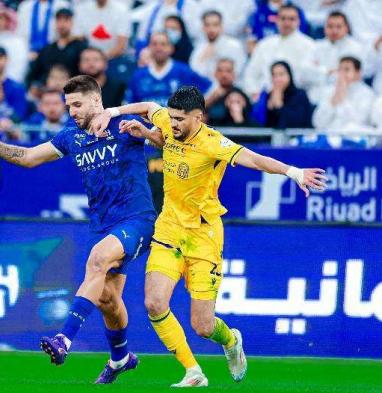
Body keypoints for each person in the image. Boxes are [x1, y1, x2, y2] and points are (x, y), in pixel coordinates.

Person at [91, 86, 326, 387]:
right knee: (153, 303)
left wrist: (293, 172)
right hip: (169, 230)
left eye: (180, 119)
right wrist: (119, 116)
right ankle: (193, 372)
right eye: (171, 117)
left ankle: (231, 341)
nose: (172, 124)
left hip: (204, 236)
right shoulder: (167, 123)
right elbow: (149, 107)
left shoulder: (214, 143)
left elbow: (254, 159)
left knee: (202, 326)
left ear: (198, 117)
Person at [0, 75, 157, 384]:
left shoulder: (125, 127)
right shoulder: (71, 136)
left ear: (97, 101)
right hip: (101, 224)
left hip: (137, 219)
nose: (73, 112)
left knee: (96, 261)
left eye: (78, 105)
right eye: (69, 106)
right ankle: (121, 358)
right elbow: (28, 158)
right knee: (108, 299)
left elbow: (163, 126)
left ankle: (63, 339)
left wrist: (130, 120)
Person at [126, 32, 211, 105]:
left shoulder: (183, 71)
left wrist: (197, 113)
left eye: (163, 44)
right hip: (146, 123)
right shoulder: (138, 75)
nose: (159, 48)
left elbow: (210, 88)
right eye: (154, 44)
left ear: (171, 48)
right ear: (149, 47)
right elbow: (129, 105)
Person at [312, 56, 375, 134]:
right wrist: (332, 102)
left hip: (355, 139)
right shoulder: (329, 91)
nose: (342, 73)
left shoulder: (367, 94)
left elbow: (359, 122)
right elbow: (317, 123)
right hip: (327, 138)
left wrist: (343, 99)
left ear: (358, 73)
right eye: (339, 70)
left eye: (346, 69)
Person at [27, 8, 87, 86]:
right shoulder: (47, 49)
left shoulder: (81, 47)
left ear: (72, 23)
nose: (62, 24)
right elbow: (35, 74)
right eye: (59, 20)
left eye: (66, 20)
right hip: (48, 92)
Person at [252, 61, 313, 128]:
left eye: (281, 74)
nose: (278, 79)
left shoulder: (299, 95)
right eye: (274, 75)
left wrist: (279, 105)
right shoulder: (269, 96)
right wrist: (269, 109)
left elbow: (297, 122)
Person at [189, 10, 246, 80]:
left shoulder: (234, 46)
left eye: (215, 25)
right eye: (207, 25)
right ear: (203, 28)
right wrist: (203, 57)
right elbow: (194, 73)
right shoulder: (199, 48)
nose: (211, 29)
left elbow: (238, 71)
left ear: (221, 26)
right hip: (207, 88)